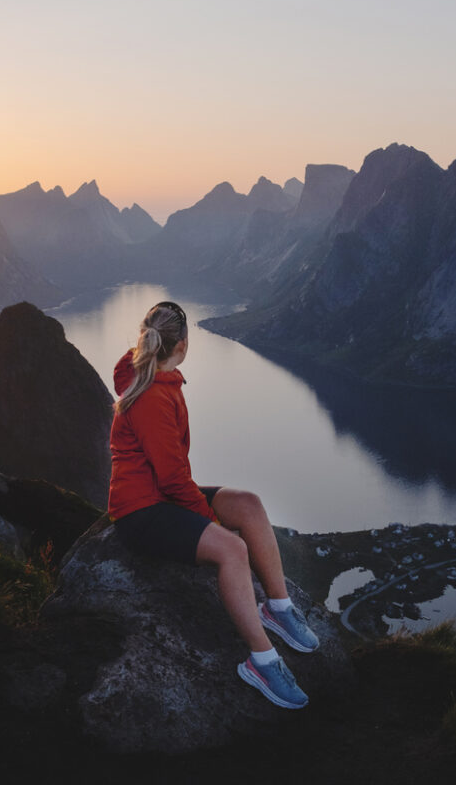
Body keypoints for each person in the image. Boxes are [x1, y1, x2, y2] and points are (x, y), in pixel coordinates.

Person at [108, 300, 319, 709]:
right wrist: (208, 522)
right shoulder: (151, 395)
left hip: (162, 495)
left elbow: (170, 479)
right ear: (183, 345)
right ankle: (262, 660)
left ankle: (278, 607)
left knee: (250, 505)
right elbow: (171, 477)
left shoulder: (151, 372)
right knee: (233, 549)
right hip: (141, 512)